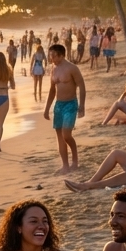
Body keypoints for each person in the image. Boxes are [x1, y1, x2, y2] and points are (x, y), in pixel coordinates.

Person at [43, 44, 86, 174]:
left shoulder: (72, 68)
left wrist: (82, 106)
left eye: (53, 55)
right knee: (59, 137)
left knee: (66, 135)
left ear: (61, 55)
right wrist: (46, 109)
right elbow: (52, 90)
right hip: (58, 105)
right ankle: (65, 166)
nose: (51, 58)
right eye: (50, 55)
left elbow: (82, 86)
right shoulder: (53, 69)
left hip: (70, 104)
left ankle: (75, 161)